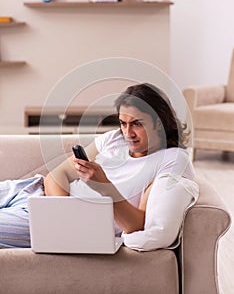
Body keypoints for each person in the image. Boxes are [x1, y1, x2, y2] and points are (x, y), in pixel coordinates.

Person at [0, 83, 199, 250]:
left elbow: (137, 225)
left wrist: (104, 186)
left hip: (43, 221)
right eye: (123, 123)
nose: (127, 132)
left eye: (137, 124)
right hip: (32, 191)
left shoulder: (170, 159)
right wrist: (60, 213)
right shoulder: (113, 139)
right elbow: (56, 175)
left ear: (158, 123)